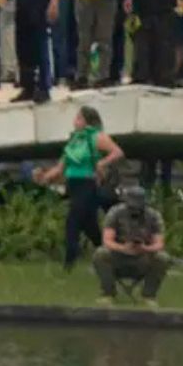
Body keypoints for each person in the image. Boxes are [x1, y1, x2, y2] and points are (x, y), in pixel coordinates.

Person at [33, 105, 125, 269]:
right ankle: (110, 255)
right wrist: (44, 177)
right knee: (89, 226)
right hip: (73, 185)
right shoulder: (74, 140)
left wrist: (101, 163)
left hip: (87, 184)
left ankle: (69, 264)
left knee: (73, 221)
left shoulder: (96, 137)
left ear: (87, 121)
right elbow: (60, 167)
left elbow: (117, 152)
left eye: (79, 118)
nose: (75, 122)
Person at [93, 185, 169, 306]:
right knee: (101, 254)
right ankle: (108, 293)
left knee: (162, 258)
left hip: (142, 258)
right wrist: (123, 248)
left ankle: (149, 295)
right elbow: (107, 240)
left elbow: (159, 243)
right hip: (119, 256)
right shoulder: (115, 213)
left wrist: (145, 248)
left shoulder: (153, 216)